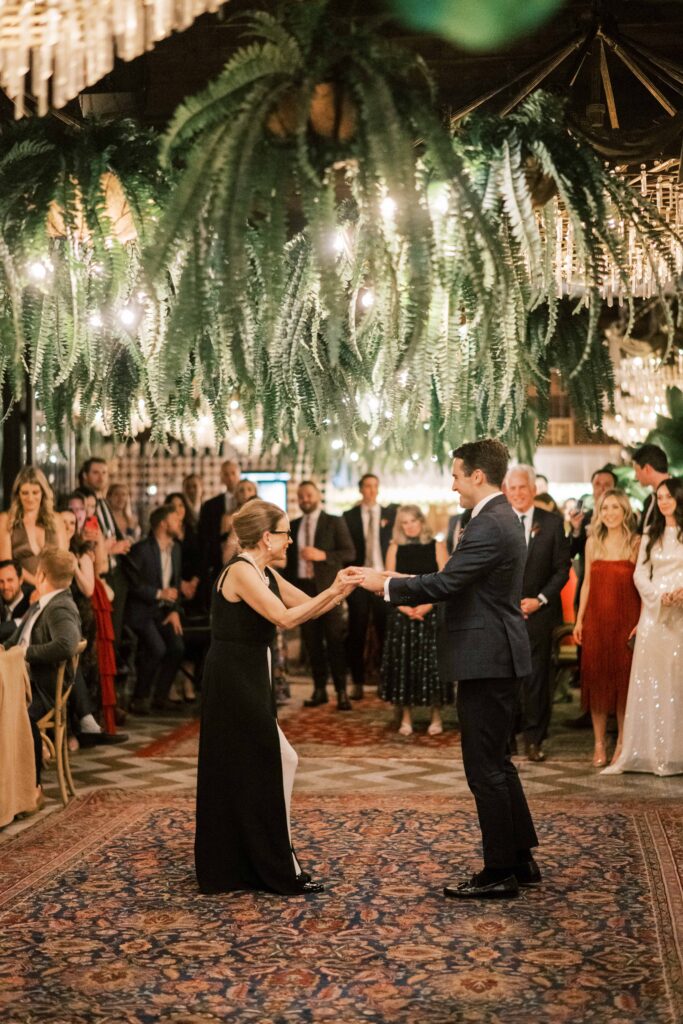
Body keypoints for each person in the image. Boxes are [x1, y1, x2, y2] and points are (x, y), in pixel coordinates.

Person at [362, 439, 538, 900]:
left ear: (478, 476)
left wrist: (385, 584)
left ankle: (500, 871)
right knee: (497, 760)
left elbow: (446, 582)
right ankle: (521, 858)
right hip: (494, 654)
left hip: (488, 657)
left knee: (484, 769)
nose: (453, 483)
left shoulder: (491, 523)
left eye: (457, 474)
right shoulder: (496, 518)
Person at [195, 499, 364, 895]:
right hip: (233, 677)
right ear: (267, 537)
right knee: (274, 760)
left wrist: (340, 590)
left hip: (252, 672)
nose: (291, 541)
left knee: (259, 764)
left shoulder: (263, 571)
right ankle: (274, 858)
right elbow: (284, 618)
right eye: (286, 533)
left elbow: (305, 606)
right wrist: (336, 590)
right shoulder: (240, 572)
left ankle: (256, 856)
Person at [603, 478, 683, 776]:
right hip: (654, 612)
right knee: (653, 681)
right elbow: (639, 575)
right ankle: (650, 751)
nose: (663, 502)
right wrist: (658, 596)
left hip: (681, 614)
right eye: (659, 497)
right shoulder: (651, 534)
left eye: (668, 497)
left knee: (677, 680)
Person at [3, 548, 82, 810]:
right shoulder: (43, 601)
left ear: (41, 574)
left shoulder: (60, 607)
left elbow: (67, 644)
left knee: (17, 715)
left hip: (41, 690)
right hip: (20, 680)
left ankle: (33, 787)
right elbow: (17, 639)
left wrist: (25, 653)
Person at [505, 466, 570, 762]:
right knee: (506, 680)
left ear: (533, 490)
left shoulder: (552, 523)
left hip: (540, 613)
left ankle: (534, 739)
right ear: (506, 491)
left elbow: (562, 569)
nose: (517, 493)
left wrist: (539, 600)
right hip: (504, 614)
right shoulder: (497, 523)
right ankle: (507, 739)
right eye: (512, 488)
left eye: (522, 487)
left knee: (537, 679)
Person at [574, 490, 640, 766]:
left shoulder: (636, 543)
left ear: (624, 511)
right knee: (598, 682)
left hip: (626, 619)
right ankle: (599, 743)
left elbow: (642, 586)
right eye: (605, 508)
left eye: (615, 507)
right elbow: (587, 583)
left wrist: (641, 622)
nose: (610, 513)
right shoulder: (592, 543)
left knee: (624, 684)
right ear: (599, 513)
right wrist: (579, 620)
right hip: (597, 621)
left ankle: (623, 743)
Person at [284, 481, 356, 711]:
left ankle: (341, 691)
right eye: (301, 496)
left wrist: (321, 555)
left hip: (328, 590)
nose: (305, 499)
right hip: (301, 590)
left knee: (334, 641)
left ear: (318, 496)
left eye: (309, 495)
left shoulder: (333, 522)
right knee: (311, 642)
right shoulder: (292, 526)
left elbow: (349, 552)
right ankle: (318, 690)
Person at [380, 505, 449, 736]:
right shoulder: (394, 547)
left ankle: (436, 716)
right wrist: (405, 608)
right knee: (404, 666)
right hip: (403, 614)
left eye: (412, 521)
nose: (409, 527)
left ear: (421, 522)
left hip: (430, 613)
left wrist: (427, 606)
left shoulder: (437, 545)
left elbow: (445, 581)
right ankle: (406, 717)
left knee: (433, 667)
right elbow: (389, 582)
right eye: (404, 523)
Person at [123, 504, 185, 714]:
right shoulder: (142, 549)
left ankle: (160, 696)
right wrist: (159, 594)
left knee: (177, 647)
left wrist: (175, 610)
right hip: (141, 611)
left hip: (163, 612)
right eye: (175, 520)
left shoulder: (176, 549)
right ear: (163, 523)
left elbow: (175, 585)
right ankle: (139, 698)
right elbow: (132, 584)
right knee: (157, 648)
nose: (180, 523)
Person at [342, 473, 396, 699]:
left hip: (383, 578)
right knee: (357, 630)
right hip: (360, 578)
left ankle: (386, 681)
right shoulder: (349, 516)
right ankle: (357, 681)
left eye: (375, 486)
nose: (371, 490)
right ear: (360, 489)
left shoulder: (389, 514)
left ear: (378, 489)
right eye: (367, 486)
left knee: (386, 631)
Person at [78, 458, 132, 646]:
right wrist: (108, 549)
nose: (101, 477)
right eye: (95, 472)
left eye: (104, 472)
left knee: (114, 633)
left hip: (116, 571)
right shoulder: (82, 501)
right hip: (97, 572)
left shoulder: (104, 501)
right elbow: (83, 539)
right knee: (102, 635)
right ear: (85, 475)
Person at [0, 467, 68, 586]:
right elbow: (6, 561)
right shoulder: (6, 519)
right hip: (21, 589)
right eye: (25, 493)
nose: (30, 498)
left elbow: (63, 560)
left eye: (35, 492)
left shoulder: (56, 519)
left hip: (54, 587)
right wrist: (37, 584)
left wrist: (50, 588)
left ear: (43, 492)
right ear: (17, 494)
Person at [198, 459, 241, 584]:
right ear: (221, 478)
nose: (230, 478)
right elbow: (205, 537)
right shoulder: (210, 505)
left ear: (239, 475)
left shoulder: (251, 504)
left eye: (233, 473)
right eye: (226, 474)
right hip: (217, 564)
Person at [632, 444, 670, 534]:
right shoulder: (649, 500)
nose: (636, 477)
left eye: (636, 471)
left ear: (647, 469)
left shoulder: (678, 494)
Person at [0, 559, 32, 641]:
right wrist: (21, 621)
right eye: (1, 581)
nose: (5, 586)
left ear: (21, 580)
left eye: (10, 580)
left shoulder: (32, 601)